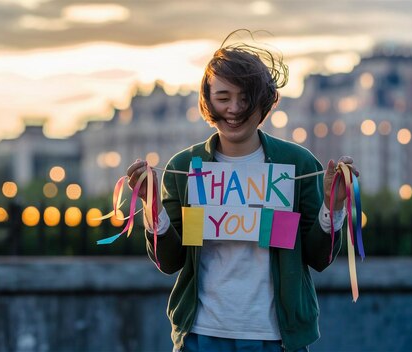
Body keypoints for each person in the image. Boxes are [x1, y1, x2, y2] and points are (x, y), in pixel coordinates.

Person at [126, 30, 356, 352]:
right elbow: (170, 261)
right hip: (200, 335)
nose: (234, 109)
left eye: (245, 98)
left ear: (263, 102)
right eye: (223, 97)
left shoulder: (298, 163)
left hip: (275, 338)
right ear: (208, 101)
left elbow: (319, 257)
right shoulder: (184, 167)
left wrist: (334, 207)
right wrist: (154, 213)